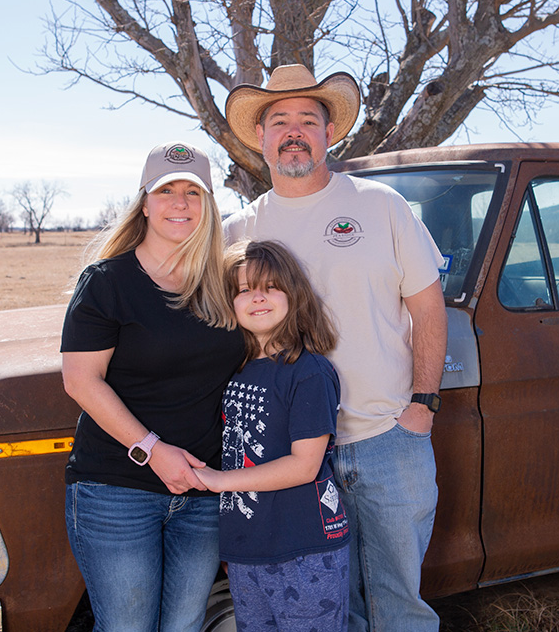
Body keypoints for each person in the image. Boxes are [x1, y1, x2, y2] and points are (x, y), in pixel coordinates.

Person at [222, 65, 448, 631]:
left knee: (401, 601)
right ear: (262, 138)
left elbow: (428, 307)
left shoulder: (382, 206)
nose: (293, 131)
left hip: (387, 437)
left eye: (307, 119)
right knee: (327, 608)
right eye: (279, 121)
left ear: (330, 134)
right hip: (291, 460)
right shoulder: (237, 232)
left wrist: (422, 406)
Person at [60, 141, 245, 632]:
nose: (180, 203)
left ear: (209, 205)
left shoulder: (225, 283)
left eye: (193, 192)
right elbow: (81, 380)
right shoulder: (106, 282)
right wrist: (153, 449)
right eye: (166, 191)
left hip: (204, 486)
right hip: (116, 488)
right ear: (144, 202)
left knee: (185, 625)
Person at [194, 239, 350, 632]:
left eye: (270, 286)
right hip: (248, 549)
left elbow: (304, 465)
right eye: (244, 290)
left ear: (294, 294)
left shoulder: (308, 371)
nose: (257, 297)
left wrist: (217, 482)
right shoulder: (237, 369)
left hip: (305, 551)